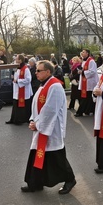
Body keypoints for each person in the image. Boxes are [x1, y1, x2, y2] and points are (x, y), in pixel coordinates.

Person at [21, 60, 77, 194]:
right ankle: (35, 182)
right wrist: (32, 120)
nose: (36, 73)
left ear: (47, 72)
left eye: (39, 71)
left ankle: (70, 179)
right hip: (42, 126)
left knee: (56, 157)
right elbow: (36, 106)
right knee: (37, 154)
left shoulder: (55, 86)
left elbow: (51, 109)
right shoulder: (43, 85)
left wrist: (38, 124)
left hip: (51, 128)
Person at [6, 54, 33, 125]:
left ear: (20, 60)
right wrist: (13, 78)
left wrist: (18, 81)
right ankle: (14, 119)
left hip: (23, 90)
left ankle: (23, 119)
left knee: (24, 106)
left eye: (16, 59)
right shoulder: (17, 68)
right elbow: (15, 76)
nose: (15, 60)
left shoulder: (25, 69)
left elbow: (28, 79)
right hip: (17, 89)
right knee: (15, 104)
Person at [75, 49, 99, 117]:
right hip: (84, 82)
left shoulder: (91, 61)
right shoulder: (84, 61)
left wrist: (82, 72)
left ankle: (80, 112)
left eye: (83, 52)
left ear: (87, 53)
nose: (82, 53)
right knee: (88, 98)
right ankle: (88, 111)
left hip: (89, 82)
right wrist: (80, 70)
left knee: (86, 98)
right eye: (82, 52)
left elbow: (92, 71)